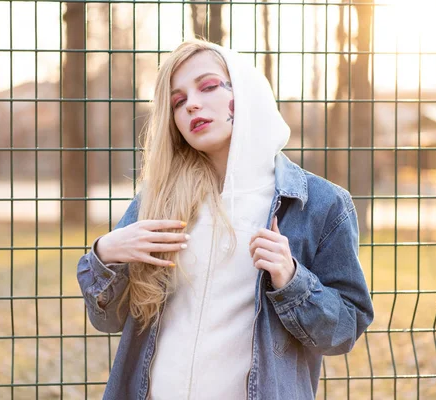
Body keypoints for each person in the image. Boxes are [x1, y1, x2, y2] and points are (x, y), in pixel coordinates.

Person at [77, 39, 374, 400]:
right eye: (178, 101)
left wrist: (292, 279)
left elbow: (345, 329)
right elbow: (107, 319)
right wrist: (106, 254)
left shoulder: (320, 204)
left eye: (207, 86)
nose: (193, 105)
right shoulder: (157, 201)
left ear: (245, 89)